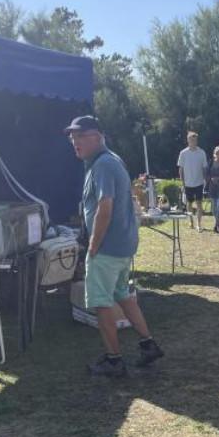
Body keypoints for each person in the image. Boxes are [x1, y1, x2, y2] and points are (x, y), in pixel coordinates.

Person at [65, 115, 164, 378]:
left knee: (101, 302)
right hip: (122, 246)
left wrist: (93, 246)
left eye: (80, 136)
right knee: (122, 294)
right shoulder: (109, 161)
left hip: (107, 248)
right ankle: (148, 344)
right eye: (72, 137)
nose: (74, 141)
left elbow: (105, 208)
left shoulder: (103, 165)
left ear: (97, 137)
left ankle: (113, 360)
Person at [178, 131, 208, 231]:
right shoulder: (183, 153)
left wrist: (205, 180)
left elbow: (204, 168)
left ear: (197, 141)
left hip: (199, 182)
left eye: (195, 140)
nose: (193, 142)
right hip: (187, 183)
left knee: (199, 203)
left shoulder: (202, 152)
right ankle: (191, 222)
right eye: (191, 140)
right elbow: (181, 169)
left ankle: (199, 224)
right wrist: (182, 182)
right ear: (188, 140)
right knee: (189, 204)